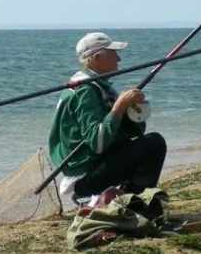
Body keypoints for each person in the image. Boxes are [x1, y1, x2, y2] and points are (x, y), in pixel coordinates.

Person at [48, 32, 167, 201]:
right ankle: (132, 203)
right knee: (154, 143)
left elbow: (132, 133)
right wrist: (119, 107)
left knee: (146, 142)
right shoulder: (86, 90)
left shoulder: (98, 86)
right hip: (83, 174)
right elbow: (97, 143)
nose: (119, 59)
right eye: (113, 54)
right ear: (96, 58)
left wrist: (134, 110)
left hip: (95, 163)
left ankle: (129, 198)